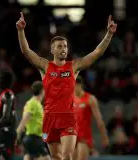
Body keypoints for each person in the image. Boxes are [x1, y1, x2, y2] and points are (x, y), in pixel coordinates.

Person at [16, 12, 117, 160]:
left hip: (68, 118)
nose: (63, 49)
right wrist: (20, 31)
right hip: (49, 118)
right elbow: (26, 51)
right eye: (59, 46)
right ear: (52, 50)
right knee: (56, 157)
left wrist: (109, 34)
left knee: (67, 156)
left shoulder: (74, 66)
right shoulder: (45, 66)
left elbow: (96, 53)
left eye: (65, 46)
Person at [73, 77, 109, 160]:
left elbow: (99, 120)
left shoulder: (90, 99)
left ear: (79, 85)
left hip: (84, 137)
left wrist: (104, 137)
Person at [16, 81, 50, 160]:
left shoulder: (38, 104)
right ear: (42, 90)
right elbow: (24, 120)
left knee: (28, 157)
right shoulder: (32, 103)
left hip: (36, 139)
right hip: (33, 139)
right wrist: (17, 134)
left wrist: (45, 137)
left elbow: (42, 125)